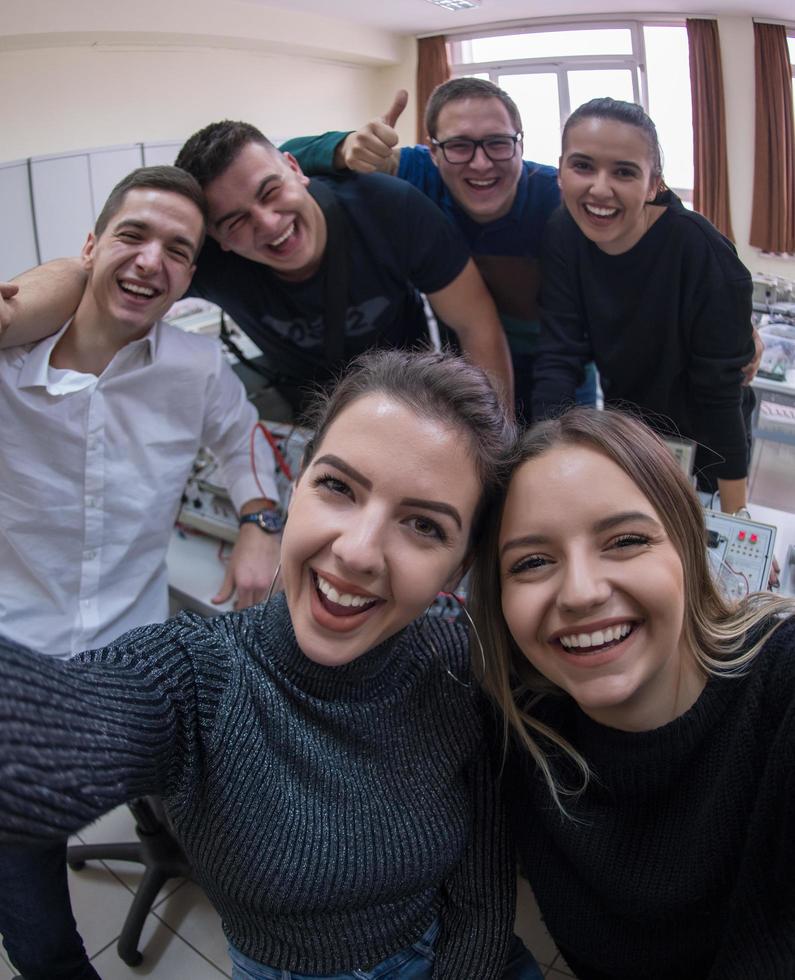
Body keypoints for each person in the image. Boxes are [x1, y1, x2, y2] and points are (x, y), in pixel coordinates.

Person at [0, 349, 544, 980]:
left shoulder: (458, 668)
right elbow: (47, 741)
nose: (358, 552)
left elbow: (483, 877)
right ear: (296, 484)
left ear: (459, 566)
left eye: (423, 524)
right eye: (338, 487)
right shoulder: (194, 677)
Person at [0, 165, 282, 980]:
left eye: (178, 250)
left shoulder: (191, 368)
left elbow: (243, 440)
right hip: (18, 671)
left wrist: (260, 524)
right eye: (132, 235)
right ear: (89, 246)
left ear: (191, 276)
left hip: (137, 653)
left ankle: (167, 843)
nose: (152, 260)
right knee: (42, 935)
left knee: (185, 797)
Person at [470, 406, 795, 980]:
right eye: (534, 561)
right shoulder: (515, 719)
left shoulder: (780, 685)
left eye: (624, 541)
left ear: (690, 549)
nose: (580, 592)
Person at [1, 120, 513, 416]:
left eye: (270, 192)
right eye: (236, 221)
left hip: (411, 388)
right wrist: (10, 313)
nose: (269, 226)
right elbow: (91, 275)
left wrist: (493, 446)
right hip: (307, 406)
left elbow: (476, 324)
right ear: (215, 239)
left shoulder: (389, 208)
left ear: (295, 168)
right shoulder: (211, 261)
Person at [283, 78, 594, 419]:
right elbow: (278, 159)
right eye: (459, 145)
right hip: (465, 378)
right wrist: (342, 148)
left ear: (520, 144)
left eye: (497, 142)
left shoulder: (559, 202)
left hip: (561, 376)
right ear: (432, 151)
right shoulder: (418, 176)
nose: (480, 163)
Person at [532, 97, 757, 513]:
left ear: (654, 185)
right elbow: (558, 357)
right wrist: (544, 472)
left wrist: (735, 516)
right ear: (560, 171)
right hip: (633, 431)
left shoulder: (702, 254)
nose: (600, 188)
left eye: (624, 172)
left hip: (711, 441)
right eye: (583, 166)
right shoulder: (563, 231)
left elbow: (719, 393)